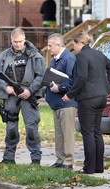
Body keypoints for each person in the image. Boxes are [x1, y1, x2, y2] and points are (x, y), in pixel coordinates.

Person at [62, 32, 110, 174]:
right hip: (101, 97)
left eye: (74, 44)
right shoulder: (98, 54)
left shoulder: (81, 56)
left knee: (88, 132)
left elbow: (81, 77)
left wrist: (70, 94)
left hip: (87, 99)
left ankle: (89, 168)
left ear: (80, 43)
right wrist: (109, 87)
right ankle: (99, 167)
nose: (73, 48)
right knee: (96, 131)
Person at [0, 27, 46, 165]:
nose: (17, 44)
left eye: (20, 41)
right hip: (11, 96)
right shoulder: (4, 56)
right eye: (15, 41)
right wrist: (6, 88)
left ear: (24, 39)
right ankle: (9, 158)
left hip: (28, 96)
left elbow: (41, 76)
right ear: (11, 40)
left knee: (31, 127)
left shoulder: (35, 55)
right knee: (10, 126)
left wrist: (30, 90)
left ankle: (35, 158)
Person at [45, 33, 77, 170]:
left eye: (50, 45)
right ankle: (60, 159)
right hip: (56, 103)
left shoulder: (68, 59)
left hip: (66, 102)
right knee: (59, 133)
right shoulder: (55, 60)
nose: (48, 48)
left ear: (59, 45)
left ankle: (68, 161)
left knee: (67, 133)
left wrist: (60, 88)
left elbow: (73, 80)